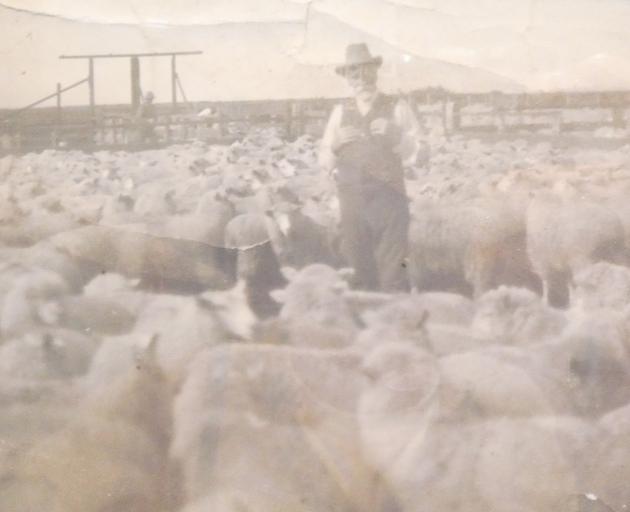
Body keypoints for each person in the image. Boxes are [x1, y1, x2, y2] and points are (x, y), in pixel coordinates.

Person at [319, 43, 421, 292]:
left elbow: (418, 152)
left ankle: (395, 326)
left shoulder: (397, 106)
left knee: (393, 275)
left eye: (366, 72)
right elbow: (324, 160)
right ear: (347, 78)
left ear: (375, 72)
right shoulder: (340, 111)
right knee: (358, 273)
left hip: (389, 200)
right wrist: (335, 145)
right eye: (354, 74)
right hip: (352, 202)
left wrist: (397, 136)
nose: (361, 79)